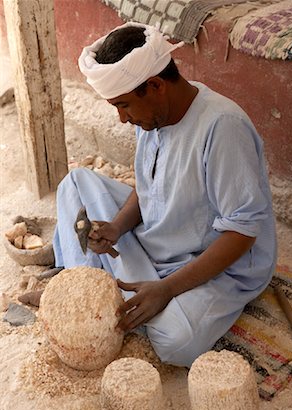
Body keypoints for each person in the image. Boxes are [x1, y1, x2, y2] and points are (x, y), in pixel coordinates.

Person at [52, 22, 276, 367]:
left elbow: (242, 231)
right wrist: (116, 228)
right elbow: (148, 187)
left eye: (124, 106)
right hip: (157, 239)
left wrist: (168, 289)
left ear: (155, 85)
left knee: (175, 341)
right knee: (75, 183)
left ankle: (109, 282)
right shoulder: (154, 116)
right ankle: (91, 284)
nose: (122, 118)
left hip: (213, 263)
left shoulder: (223, 127)